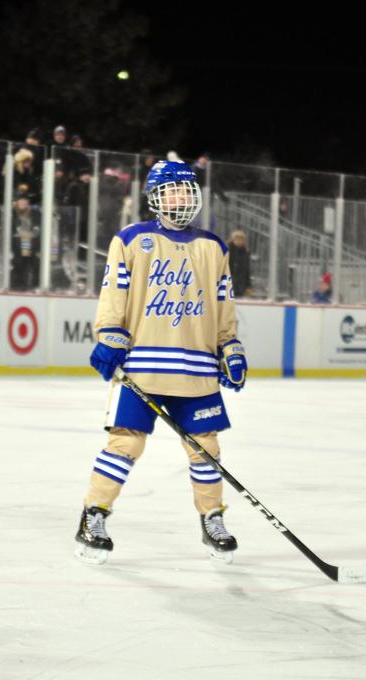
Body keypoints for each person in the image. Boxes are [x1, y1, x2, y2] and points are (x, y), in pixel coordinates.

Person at [74, 159, 247, 566]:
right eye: (172, 191)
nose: (181, 198)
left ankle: (212, 518)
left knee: (206, 447)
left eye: (187, 190)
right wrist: (109, 334)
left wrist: (229, 345)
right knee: (125, 443)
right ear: (155, 197)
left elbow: (223, 303)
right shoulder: (132, 239)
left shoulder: (213, 247)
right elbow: (114, 293)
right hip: (143, 364)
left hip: (197, 368)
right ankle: (93, 516)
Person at [226, 229, 252, 298]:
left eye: (241, 239)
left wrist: (248, 286)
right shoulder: (227, 251)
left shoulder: (245, 252)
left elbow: (247, 270)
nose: (239, 241)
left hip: (241, 284)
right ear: (232, 240)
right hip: (229, 282)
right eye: (236, 239)